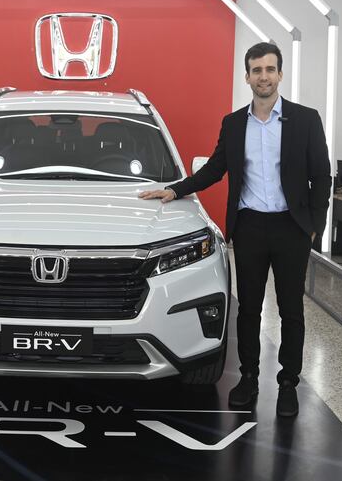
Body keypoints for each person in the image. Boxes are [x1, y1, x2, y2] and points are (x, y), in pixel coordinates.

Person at [139, 42, 331, 417]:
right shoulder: (233, 123)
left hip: (292, 229)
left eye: (270, 69)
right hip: (250, 229)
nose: (264, 76)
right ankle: (249, 378)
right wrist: (175, 189)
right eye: (256, 70)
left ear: (279, 74)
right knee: (249, 311)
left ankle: (289, 384)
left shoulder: (305, 119)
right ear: (247, 77)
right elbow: (215, 170)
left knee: (292, 311)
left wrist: (314, 227)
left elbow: (321, 176)